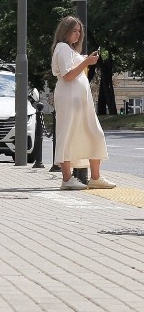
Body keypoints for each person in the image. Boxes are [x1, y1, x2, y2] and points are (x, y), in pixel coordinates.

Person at [51, 16, 115, 190]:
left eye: (80, 31)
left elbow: (73, 70)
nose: (78, 34)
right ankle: (67, 178)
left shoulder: (69, 50)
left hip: (80, 100)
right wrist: (86, 62)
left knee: (94, 132)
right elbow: (68, 75)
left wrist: (83, 59)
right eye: (74, 30)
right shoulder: (62, 47)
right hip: (69, 97)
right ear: (65, 31)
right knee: (67, 134)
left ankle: (95, 177)